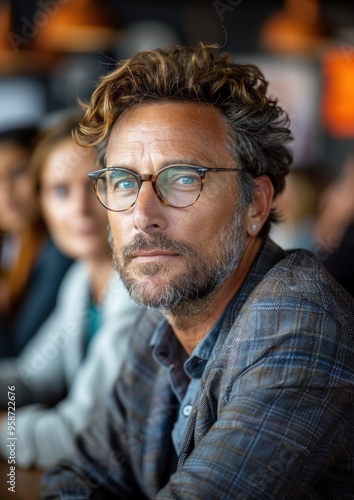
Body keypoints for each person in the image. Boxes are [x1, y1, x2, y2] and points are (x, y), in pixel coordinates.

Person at [42, 44, 354, 498]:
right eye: (124, 181)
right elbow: (80, 476)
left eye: (184, 178)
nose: (142, 215)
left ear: (256, 205)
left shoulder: (301, 329)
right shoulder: (162, 308)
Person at [0, 112, 142, 468]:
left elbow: (78, 435)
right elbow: (32, 377)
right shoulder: (81, 280)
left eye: (99, 185)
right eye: (60, 191)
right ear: (42, 205)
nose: (79, 209)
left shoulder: (142, 286)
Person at [0, 124, 73, 357]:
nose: (6, 192)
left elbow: (20, 351)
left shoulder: (59, 249)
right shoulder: (11, 243)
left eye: (19, 172)